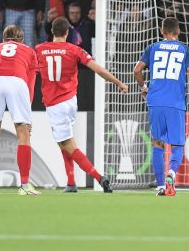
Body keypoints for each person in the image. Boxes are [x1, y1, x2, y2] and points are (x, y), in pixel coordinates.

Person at [36, 17, 127, 193]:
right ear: (67, 33)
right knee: (64, 143)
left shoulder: (40, 49)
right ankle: (71, 182)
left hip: (56, 104)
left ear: (52, 31)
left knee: (69, 145)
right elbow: (98, 69)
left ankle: (99, 178)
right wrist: (118, 82)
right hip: (70, 101)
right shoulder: (75, 50)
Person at [133, 17, 189, 196]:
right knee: (177, 145)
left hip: (155, 101)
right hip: (175, 102)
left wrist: (143, 87)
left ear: (162, 31)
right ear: (178, 31)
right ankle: (171, 175)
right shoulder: (184, 49)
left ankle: (160, 186)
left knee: (157, 143)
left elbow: (137, 70)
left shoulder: (152, 47)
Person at [0, 25, 39, 196]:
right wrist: (28, 116)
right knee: (23, 134)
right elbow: (30, 83)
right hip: (17, 82)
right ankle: (24, 186)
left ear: (3, 39)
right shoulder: (29, 51)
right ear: (22, 40)